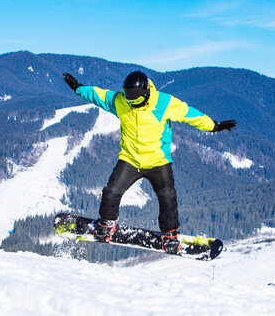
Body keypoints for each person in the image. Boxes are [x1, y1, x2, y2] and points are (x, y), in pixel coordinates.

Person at [63, 70, 236, 254]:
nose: (133, 105)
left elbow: (188, 113)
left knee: (167, 196)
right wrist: (78, 88)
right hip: (130, 159)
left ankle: (169, 234)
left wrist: (213, 126)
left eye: (136, 102)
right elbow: (98, 95)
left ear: (145, 93)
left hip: (158, 160)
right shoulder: (120, 101)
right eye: (129, 101)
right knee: (112, 191)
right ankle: (106, 224)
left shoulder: (163, 102)